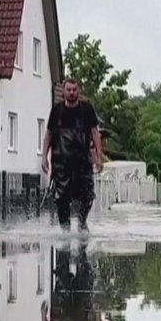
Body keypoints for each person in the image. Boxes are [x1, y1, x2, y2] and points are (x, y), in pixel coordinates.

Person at [41, 78, 103, 232]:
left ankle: (82, 222)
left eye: (74, 90)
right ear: (63, 92)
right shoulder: (57, 111)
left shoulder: (87, 110)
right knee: (62, 198)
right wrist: (44, 157)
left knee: (87, 195)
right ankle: (65, 228)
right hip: (61, 163)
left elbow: (95, 134)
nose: (71, 93)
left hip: (82, 162)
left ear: (79, 91)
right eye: (68, 90)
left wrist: (98, 157)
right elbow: (48, 134)